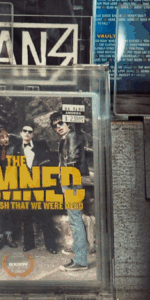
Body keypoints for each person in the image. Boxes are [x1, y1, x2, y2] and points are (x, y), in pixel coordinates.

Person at [6, 123, 56, 254]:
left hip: (40, 186)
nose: (27, 133)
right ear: (21, 133)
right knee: (26, 216)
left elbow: (48, 164)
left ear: (33, 134)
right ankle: (29, 244)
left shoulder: (41, 146)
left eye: (30, 131)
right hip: (23, 187)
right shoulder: (13, 148)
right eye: (25, 131)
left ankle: (51, 245)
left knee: (45, 215)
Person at [51, 111, 89, 272]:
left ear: (68, 123)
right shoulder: (66, 138)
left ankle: (80, 260)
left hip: (71, 181)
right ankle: (79, 249)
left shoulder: (72, 136)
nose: (58, 127)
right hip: (69, 180)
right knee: (75, 217)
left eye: (61, 123)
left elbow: (72, 160)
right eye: (55, 125)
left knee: (75, 219)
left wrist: (66, 178)